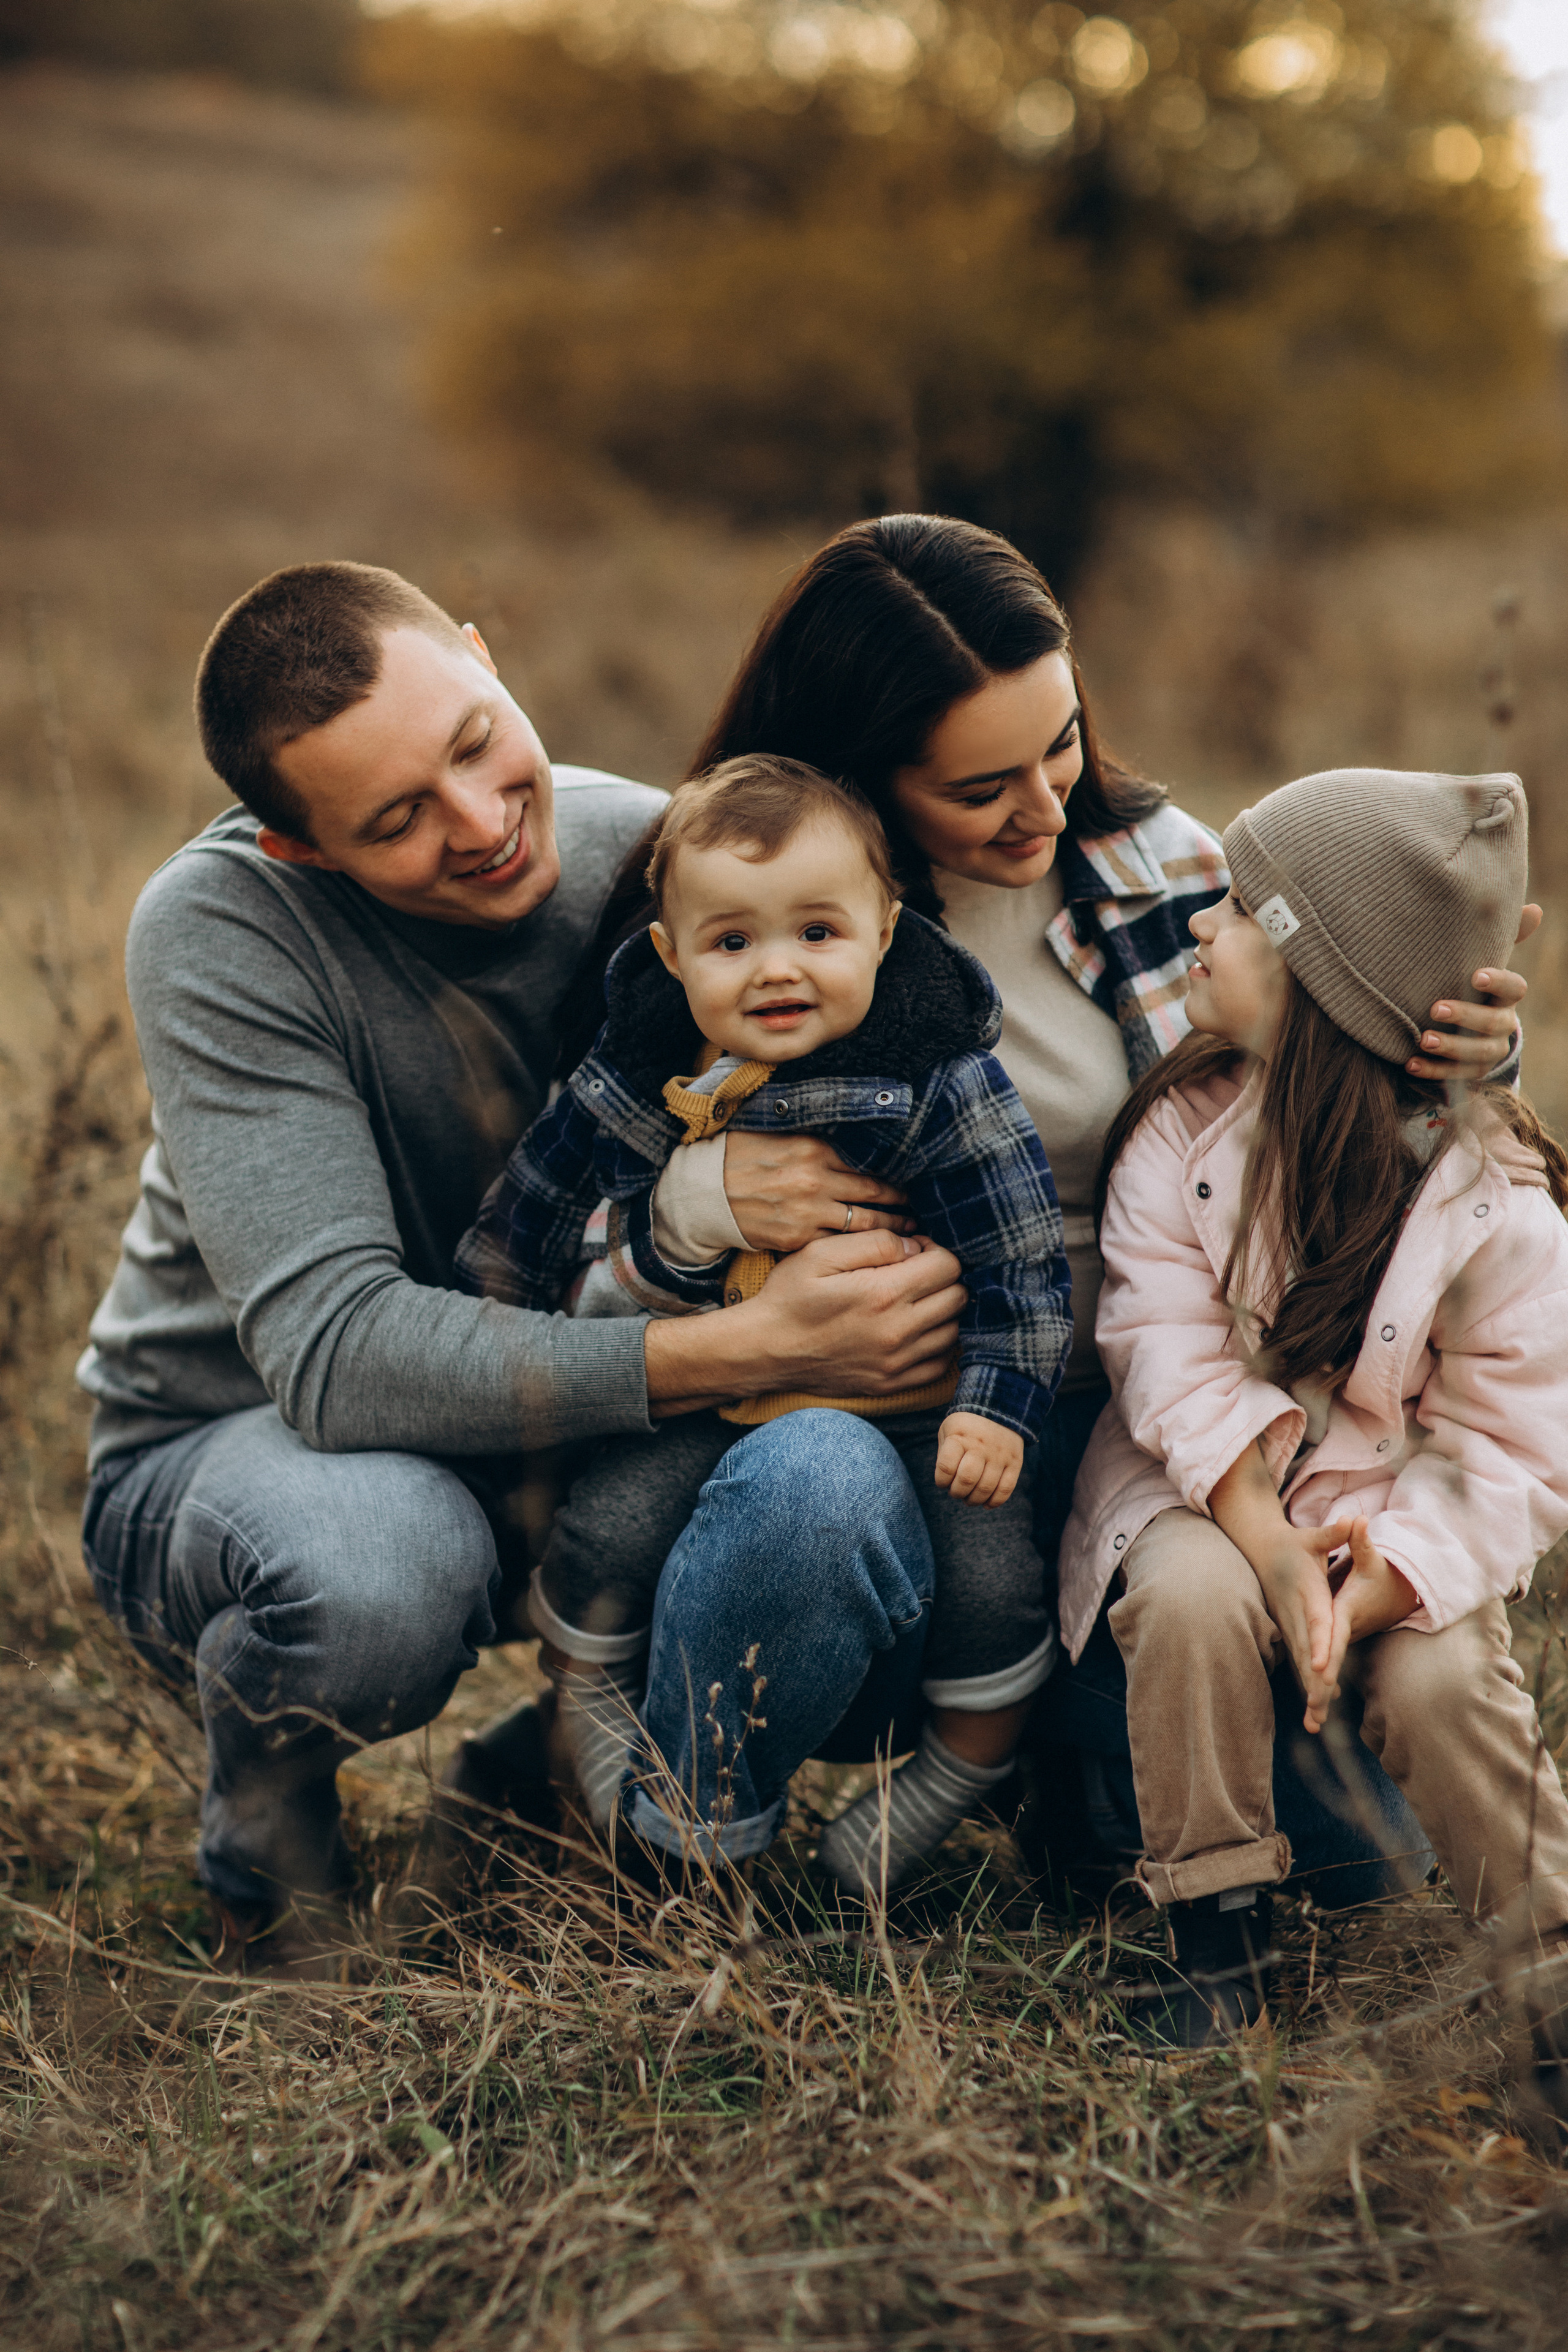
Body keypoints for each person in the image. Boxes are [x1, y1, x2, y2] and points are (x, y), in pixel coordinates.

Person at [535, 514, 1533, 1888]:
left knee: (1362, 1857)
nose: (1046, 806)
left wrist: (1450, 1050)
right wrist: (693, 1210)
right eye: (979, 786)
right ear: (862, 774)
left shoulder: (1168, 869)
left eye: (1059, 742)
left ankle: (1056, 1770)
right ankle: (686, 1835)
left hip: (1155, 1434)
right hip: (857, 1442)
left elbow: (1334, 1062)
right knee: (808, 1498)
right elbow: (557, 1263)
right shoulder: (742, 914)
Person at [76, 562, 966, 1968]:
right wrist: (758, 1350)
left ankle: (570, 1793)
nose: (484, 825)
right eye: (398, 819)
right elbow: (335, 1359)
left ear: (486, 659)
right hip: (248, 1453)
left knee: (853, 1514)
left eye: (477, 744)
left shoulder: (662, 866)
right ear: (299, 850)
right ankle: (266, 1852)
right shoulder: (224, 928)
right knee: (381, 1572)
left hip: (577, 1413)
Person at [456, 755, 1072, 1886]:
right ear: (670, 955)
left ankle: (950, 1779)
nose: (777, 971)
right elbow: (522, 1227)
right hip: (721, 1394)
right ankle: (593, 1711)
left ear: (886, 931)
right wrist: (607, 1251)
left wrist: (998, 1406)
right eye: (732, 942)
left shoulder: (939, 1072)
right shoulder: (641, 1069)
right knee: (611, 1525)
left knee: (996, 1590)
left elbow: (1022, 1259)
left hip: (923, 1418)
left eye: (818, 934)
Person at [1060, 766, 1568, 2099]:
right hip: (1201, 1486)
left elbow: (1511, 1453)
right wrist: (1261, 1541)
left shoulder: (1494, 1209)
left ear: (1326, 987)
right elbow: (1156, 1349)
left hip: (1392, 1529)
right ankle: (1212, 1922)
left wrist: (1382, 1576)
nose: (1199, 927)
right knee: (1181, 1599)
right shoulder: (1179, 1135)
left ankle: (1547, 1966)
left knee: (1445, 1683)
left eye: (1237, 909)